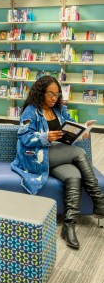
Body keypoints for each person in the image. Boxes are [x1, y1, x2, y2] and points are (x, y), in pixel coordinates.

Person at [11, 75, 104, 250]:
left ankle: (69, 225)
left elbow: (70, 127)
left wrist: (81, 133)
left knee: (74, 175)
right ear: (41, 93)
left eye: (57, 94)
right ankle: (99, 201)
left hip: (59, 154)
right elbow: (23, 136)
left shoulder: (60, 109)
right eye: (50, 94)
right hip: (37, 156)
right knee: (79, 152)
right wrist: (45, 137)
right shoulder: (31, 110)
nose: (54, 98)